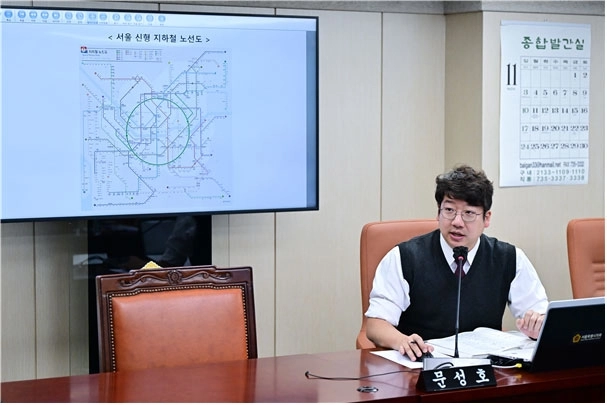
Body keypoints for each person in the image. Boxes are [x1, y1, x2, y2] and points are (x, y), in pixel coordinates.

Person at [364, 164, 548, 361]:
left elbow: (542, 317)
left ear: (486, 218)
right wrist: (402, 341)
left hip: (485, 370)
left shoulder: (509, 258)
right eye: (449, 210)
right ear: (438, 213)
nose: (457, 222)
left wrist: (537, 326)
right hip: (421, 367)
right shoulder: (404, 257)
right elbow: (376, 325)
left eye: (469, 213)